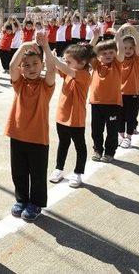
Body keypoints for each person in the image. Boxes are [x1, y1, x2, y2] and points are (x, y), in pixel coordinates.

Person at [5, 33, 55, 221]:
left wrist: (46, 47)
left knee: (37, 173)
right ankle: (21, 199)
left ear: (41, 65)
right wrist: (25, 44)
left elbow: (52, 70)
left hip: (38, 137)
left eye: (35, 64)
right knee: (18, 171)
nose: (31, 68)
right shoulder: (19, 84)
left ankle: (36, 203)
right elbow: (11, 66)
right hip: (17, 134)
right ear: (21, 68)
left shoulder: (45, 85)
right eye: (26, 65)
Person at [46, 43, 94, 188]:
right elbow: (55, 68)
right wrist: (51, 57)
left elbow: (62, 67)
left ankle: (78, 172)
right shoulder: (69, 71)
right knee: (63, 143)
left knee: (80, 146)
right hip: (62, 116)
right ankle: (59, 169)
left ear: (82, 63)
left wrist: (47, 50)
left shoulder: (84, 75)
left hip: (75, 118)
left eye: (69, 61)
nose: (66, 63)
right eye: (65, 61)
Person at [88, 25, 126, 163]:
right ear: (98, 56)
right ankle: (98, 149)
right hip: (96, 103)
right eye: (104, 53)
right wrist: (95, 37)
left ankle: (109, 152)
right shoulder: (96, 64)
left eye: (111, 52)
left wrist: (117, 37)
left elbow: (121, 52)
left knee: (111, 131)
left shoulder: (117, 64)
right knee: (96, 130)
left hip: (113, 103)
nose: (108, 55)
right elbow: (87, 52)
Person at [119, 26, 139, 148]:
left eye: (130, 48)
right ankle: (121, 136)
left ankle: (128, 137)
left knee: (131, 117)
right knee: (120, 116)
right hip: (119, 94)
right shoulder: (118, 60)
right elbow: (116, 44)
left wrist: (133, 31)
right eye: (125, 47)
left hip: (133, 93)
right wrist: (118, 33)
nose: (127, 50)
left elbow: (138, 44)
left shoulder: (137, 60)